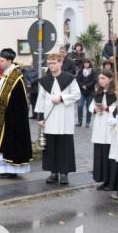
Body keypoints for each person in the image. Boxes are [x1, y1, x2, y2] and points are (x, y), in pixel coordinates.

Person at [0, 48, 32, 179]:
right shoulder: (6, 74)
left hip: (11, 117)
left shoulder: (15, 77)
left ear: (9, 61)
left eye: (1, 60)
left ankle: (10, 170)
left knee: (9, 143)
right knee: (1, 143)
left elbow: (10, 100)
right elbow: (0, 94)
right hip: (2, 115)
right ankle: (1, 169)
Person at [35, 53, 81, 185]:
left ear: (61, 63)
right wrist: (40, 116)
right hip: (49, 119)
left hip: (64, 118)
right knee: (51, 147)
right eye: (49, 63)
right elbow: (41, 99)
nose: (51, 65)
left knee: (64, 146)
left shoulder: (70, 79)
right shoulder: (45, 80)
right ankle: (53, 172)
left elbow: (77, 95)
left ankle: (64, 173)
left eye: (54, 63)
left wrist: (62, 98)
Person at [90, 69, 116, 191]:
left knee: (110, 155)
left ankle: (112, 181)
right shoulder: (98, 93)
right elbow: (91, 106)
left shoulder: (115, 93)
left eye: (103, 78)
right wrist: (96, 109)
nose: (100, 81)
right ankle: (105, 180)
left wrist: (107, 108)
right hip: (100, 127)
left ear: (110, 79)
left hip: (110, 127)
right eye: (99, 78)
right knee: (101, 155)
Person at [75, 58, 97, 128]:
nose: (86, 64)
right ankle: (79, 121)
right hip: (82, 91)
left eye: (87, 63)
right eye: (85, 63)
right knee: (80, 105)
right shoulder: (80, 71)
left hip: (90, 92)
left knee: (88, 107)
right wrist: (82, 85)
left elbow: (94, 81)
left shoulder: (93, 72)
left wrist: (86, 86)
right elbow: (78, 80)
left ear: (89, 64)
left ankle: (88, 122)